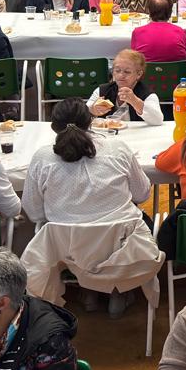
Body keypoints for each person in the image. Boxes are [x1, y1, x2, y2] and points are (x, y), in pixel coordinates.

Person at [21, 102, 155, 319]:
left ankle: (87, 287)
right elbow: (142, 194)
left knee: (71, 238)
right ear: (90, 122)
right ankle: (118, 289)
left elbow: (34, 212)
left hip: (69, 250)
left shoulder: (42, 157)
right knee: (135, 223)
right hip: (120, 244)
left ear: (53, 126)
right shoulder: (118, 148)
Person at [88, 48, 164, 125]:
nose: (121, 75)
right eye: (117, 70)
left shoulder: (147, 94)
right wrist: (92, 110)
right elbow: (83, 114)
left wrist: (135, 101)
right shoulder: (102, 90)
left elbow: (158, 121)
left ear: (139, 74)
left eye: (127, 72)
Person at [129, 0, 186, 66]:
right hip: (177, 73)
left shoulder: (138, 32)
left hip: (146, 73)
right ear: (170, 12)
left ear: (149, 11)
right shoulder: (181, 32)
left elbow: (134, 61)